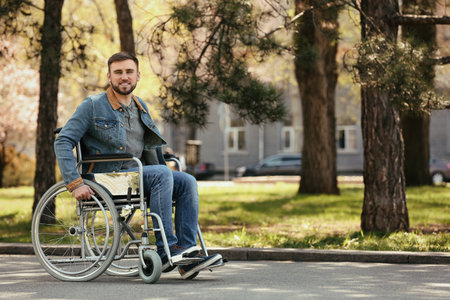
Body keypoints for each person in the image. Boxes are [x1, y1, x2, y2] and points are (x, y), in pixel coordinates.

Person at [54, 52, 222, 279]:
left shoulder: (140, 106)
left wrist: (164, 154)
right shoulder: (92, 105)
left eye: (129, 72)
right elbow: (63, 141)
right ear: (109, 76)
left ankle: (187, 253)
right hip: (106, 178)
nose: (124, 77)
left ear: (138, 76)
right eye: (118, 72)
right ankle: (167, 249)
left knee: (186, 180)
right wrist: (74, 183)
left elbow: (145, 146)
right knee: (163, 174)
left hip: (134, 174)